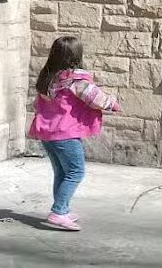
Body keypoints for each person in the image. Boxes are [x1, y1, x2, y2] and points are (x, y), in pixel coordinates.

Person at [28, 36, 120, 231]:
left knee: (61, 172)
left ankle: (63, 209)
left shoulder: (48, 78)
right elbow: (96, 98)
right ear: (76, 56)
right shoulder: (76, 81)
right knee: (76, 172)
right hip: (65, 134)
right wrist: (112, 103)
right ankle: (58, 212)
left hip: (47, 133)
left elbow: (37, 104)